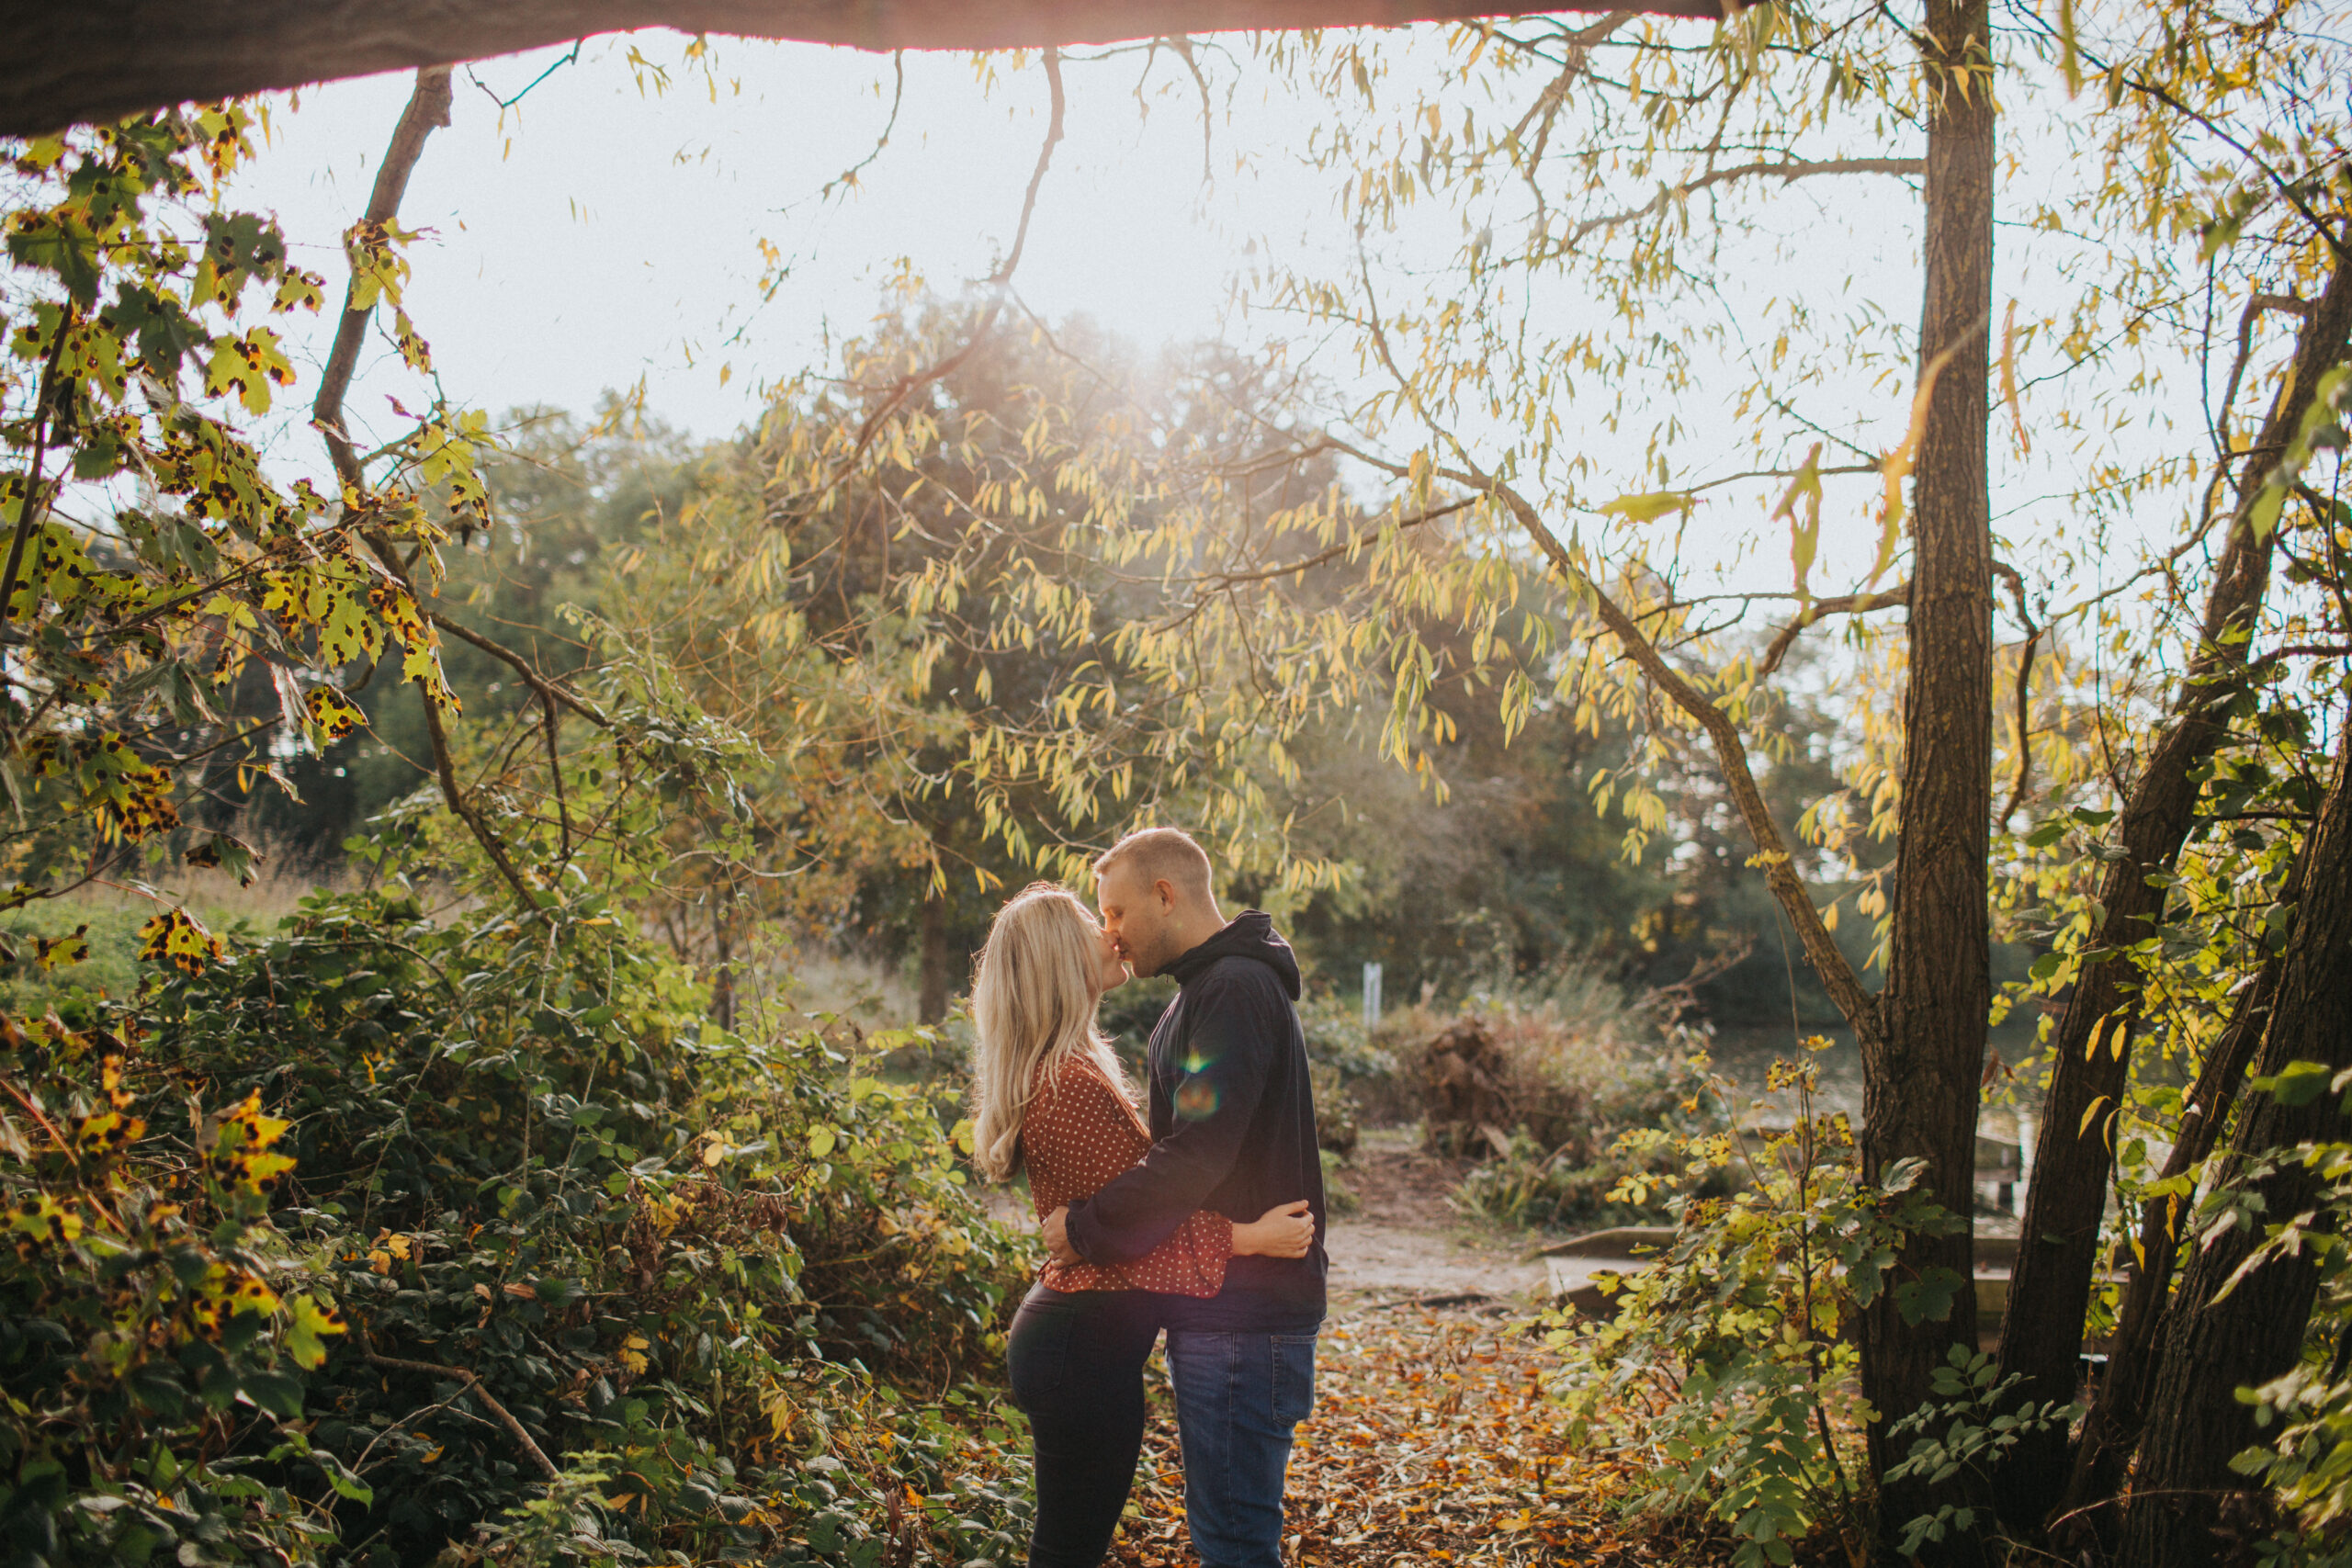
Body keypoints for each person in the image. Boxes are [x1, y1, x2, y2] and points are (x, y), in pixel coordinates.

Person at [969, 884, 1316, 1568]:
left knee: (1070, 1547)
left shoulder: (1074, 1066)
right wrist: (1248, 1238)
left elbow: (1130, 1216)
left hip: (1082, 1344)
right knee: (1069, 1549)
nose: (1110, 934)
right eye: (1092, 924)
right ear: (1058, 959)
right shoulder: (1067, 1082)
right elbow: (1134, 1235)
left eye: (1113, 915)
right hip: (1080, 1346)